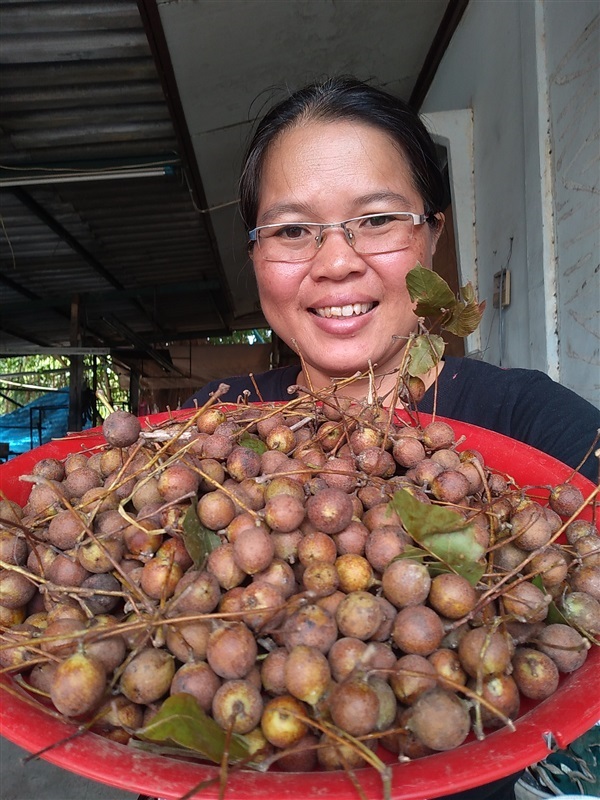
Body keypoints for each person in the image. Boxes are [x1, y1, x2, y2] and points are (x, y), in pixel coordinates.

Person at [184, 76, 599, 488]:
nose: (337, 262)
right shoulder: (213, 421)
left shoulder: (536, 422)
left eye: (377, 220)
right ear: (254, 254)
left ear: (434, 233)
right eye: (292, 230)